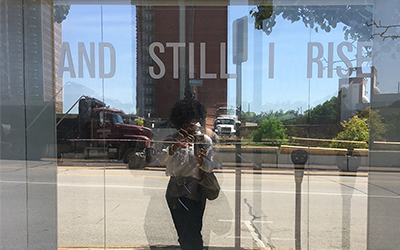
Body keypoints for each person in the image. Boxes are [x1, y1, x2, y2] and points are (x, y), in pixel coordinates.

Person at [159, 98, 216, 250]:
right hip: (174, 189)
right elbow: (162, 159)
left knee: (194, 231)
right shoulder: (171, 139)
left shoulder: (204, 140)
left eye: (193, 121)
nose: (190, 125)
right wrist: (174, 146)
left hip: (194, 189)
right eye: (186, 123)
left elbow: (210, 167)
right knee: (182, 233)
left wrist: (201, 161)